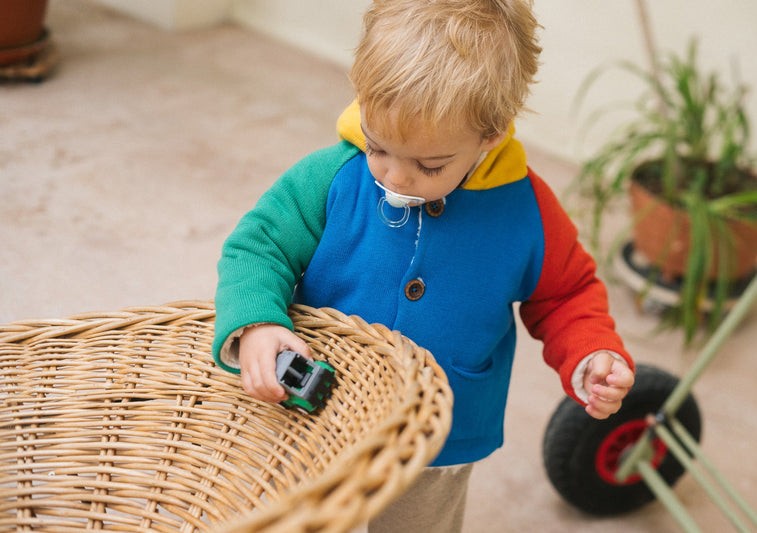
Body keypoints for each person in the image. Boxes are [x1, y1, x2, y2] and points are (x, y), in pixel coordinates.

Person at [212, 0, 635, 531]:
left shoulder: (526, 212)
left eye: (429, 165)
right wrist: (257, 323)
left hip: (440, 438)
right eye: (377, 145)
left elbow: (566, 294)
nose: (394, 175)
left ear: (491, 135)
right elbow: (259, 247)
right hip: (314, 412)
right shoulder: (333, 177)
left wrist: (590, 351)